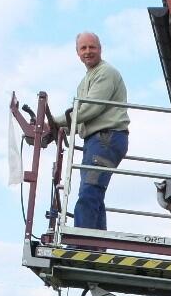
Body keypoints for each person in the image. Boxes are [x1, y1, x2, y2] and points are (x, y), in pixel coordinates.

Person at [52, 32, 130, 231]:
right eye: (83, 48)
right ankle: (96, 241)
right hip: (95, 141)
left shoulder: (106, 73)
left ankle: (81, 241)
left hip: (106, 138)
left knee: (89, 192)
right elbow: (79, 119)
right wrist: (56, 129)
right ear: (77, 52)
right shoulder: (85, 81)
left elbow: (89, 109)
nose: (88, 51)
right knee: (95, 194)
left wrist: (52, 122)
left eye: (92, 47)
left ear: (100, 49)